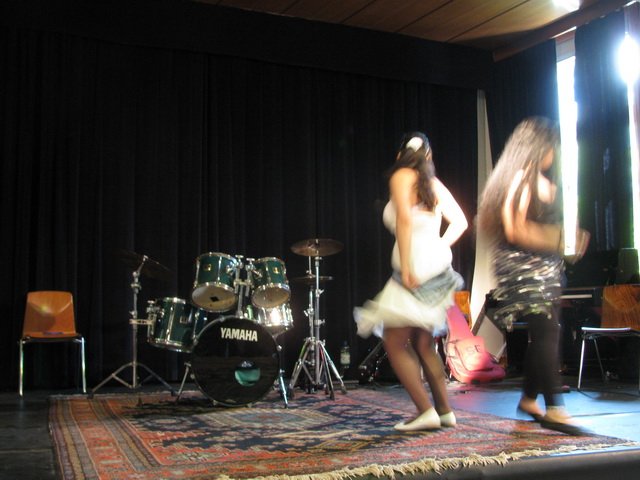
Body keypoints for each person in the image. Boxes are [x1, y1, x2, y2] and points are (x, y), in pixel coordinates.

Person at [477, 117, 590, 435]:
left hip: (545, 266)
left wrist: (568, 241)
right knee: (546, 333)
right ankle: (555, 408)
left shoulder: (541, 180)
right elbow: (515, 229)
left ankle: (529, 399)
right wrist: (558, 239)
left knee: (545, 332)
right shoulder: (520, 177)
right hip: (524, 267)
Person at [354, 132, 468, 431]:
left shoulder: (402, 175)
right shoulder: (432, 183)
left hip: (415, 266)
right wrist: (440, 246)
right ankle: (445, 412)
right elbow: (461, 221)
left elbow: (404, 219)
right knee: (423, 343)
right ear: (428, 156)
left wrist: (406, 267)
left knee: (394, 341)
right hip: (437, 267)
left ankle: (425, 411)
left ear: (399, 155)